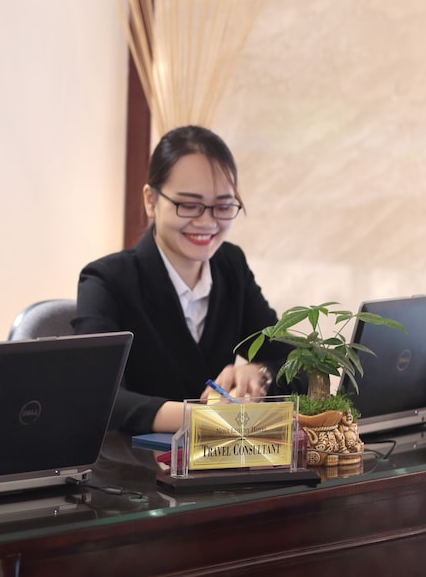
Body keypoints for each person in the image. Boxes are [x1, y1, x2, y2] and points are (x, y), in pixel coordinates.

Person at [73, 126, 292, 435]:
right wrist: (204, 417)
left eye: (223, 206)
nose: (207, 221)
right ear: (151, 200)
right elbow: (94, 395)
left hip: (222, 456)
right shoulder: (106, 280)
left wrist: (259, 372)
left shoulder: (231, 266)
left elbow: (298, 363)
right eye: (189, 205)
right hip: (134, 461)